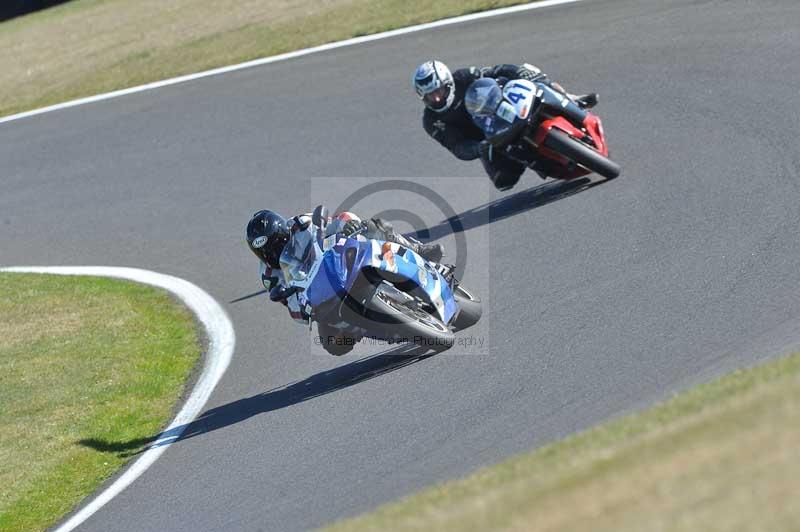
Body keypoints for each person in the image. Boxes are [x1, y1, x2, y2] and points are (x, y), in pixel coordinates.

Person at [245, 209, 444, 355]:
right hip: (322, 293)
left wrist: (350, 226)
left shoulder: (301, 224)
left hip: (340, 264)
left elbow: (337, 220)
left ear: (284, 233)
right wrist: (304, 310)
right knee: (333, 344)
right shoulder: (269, 276)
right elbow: (292, 307)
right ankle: (372, 327)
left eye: (276, 244)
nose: (272, 253)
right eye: (263, 252)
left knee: (375, 228)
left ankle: (417, 251)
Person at [413, 60, 598, 190]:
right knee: (504, 181)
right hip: (489, 139)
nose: (436, 98)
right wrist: (478, 148)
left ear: (448, 83)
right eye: (429, 95)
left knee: (533, 76)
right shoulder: (431, 121)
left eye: (438, 91)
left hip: (502, 108)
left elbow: (496, 71)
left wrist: (520, 73)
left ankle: (572, 98)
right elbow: (456, 147)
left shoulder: (463, 76)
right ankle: (542, 162)